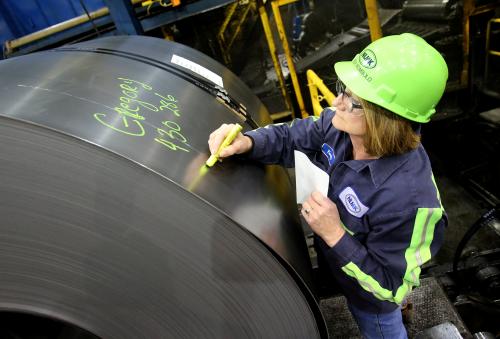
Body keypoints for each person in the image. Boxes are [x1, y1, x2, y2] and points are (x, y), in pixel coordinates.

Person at [208, 33, 448, 339]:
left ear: (386, 118)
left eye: (352, 101)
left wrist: (334, 234)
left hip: (369, 299)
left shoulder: (411, 202)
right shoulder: (342, 127)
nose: (337, 103)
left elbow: (388, 287)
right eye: (343, 91)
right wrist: (248, 141)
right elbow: (292, 137)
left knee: (382, 324)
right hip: (337, 266)